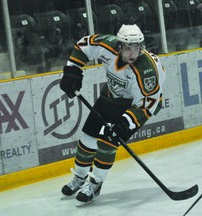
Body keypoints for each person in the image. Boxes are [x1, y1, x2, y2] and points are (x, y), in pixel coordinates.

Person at [59, 24, 166, 206]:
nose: (133, 53)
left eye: (137, 47)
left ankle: (95, 183)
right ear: (119, 45)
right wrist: (73, 69)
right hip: (110, 96)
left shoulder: (146, 70)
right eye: (128, 48)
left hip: (136, 106)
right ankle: (80, 176)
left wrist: (126, 123)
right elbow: (84, 45)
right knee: (87, 138)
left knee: (108, 142)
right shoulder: (107, 45)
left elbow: (147, 103)